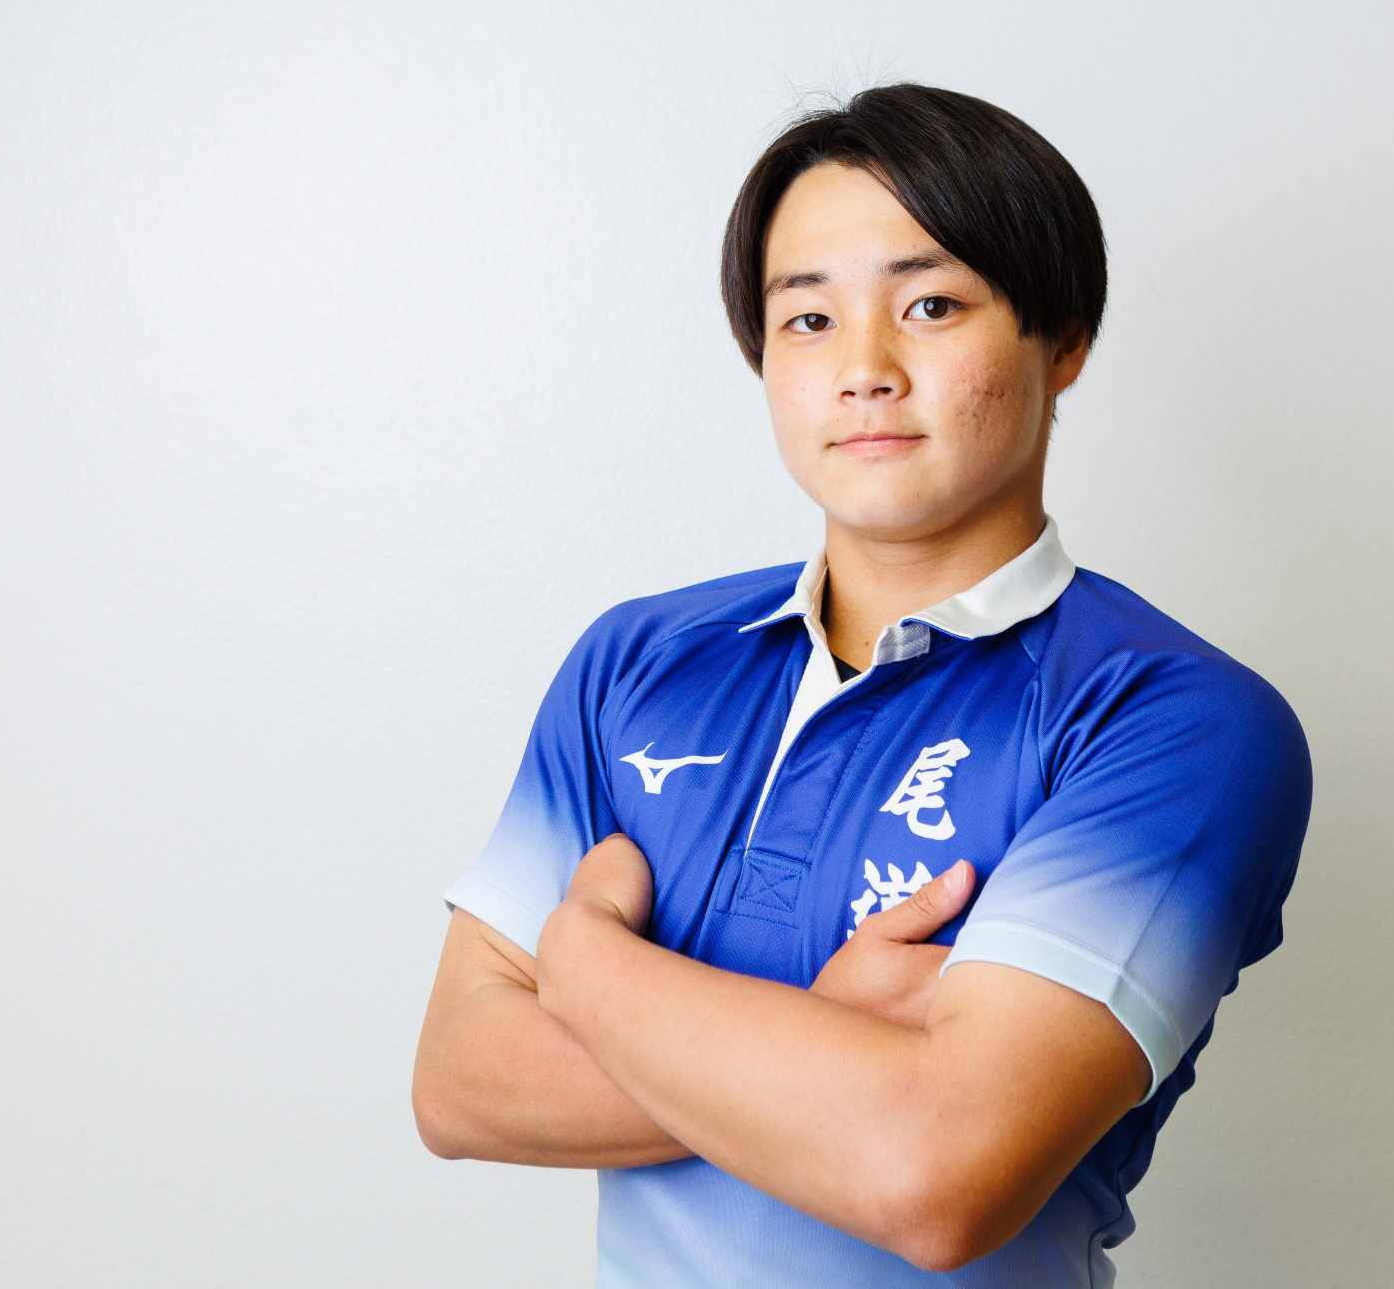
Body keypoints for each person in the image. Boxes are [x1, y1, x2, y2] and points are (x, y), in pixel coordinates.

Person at [412, 83, 1311, 1287]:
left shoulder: (1174, 718)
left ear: (1063, 341)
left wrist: (586, 963)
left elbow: (935, 1172)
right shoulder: (637, 662)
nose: (864, 369)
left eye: (931, 304)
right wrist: (831, 1033)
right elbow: (459, 1081)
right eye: (808, 319)